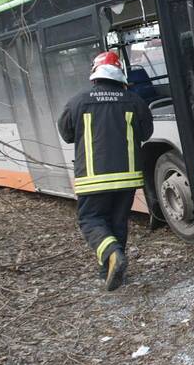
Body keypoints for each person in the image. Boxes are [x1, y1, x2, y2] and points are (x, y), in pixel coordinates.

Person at [58, 52, 152, 290]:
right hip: (127, 177)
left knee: (90, 219)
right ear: (120, 76)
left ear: (95, 75)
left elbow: (67, 134)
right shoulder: (134, 100)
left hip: (93, 178)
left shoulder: (78, 101)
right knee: (117, 222)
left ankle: (111, 253)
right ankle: (108, 271)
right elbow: (146, 133)